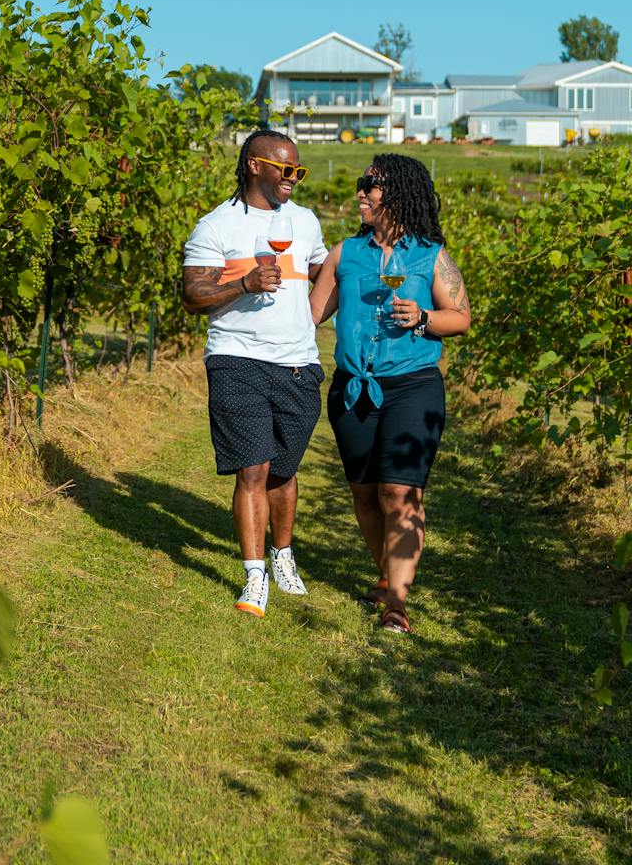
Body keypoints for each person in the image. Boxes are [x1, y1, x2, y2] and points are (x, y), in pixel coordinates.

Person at [308, 154, 470, 635]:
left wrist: (422, 318)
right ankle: (386, 573)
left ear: (396, 193)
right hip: (353, 389)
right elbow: (311, 315)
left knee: (399, 492)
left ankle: (396, 603)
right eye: (362, 185)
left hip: (413, 387)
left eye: (369, 186)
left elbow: (460, 317)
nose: (360, 193)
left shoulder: (430, 256)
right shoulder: (344, 254)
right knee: (365, 495)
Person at [181, 129, 328, 618]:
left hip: (298, 364)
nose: (293, 178)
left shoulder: (304, 222)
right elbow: (193, 296)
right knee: (253, 468)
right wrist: (243, 283)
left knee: (283, 472)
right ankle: (255, 574)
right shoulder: (216, 226)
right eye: (285, 169)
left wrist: (312, 318)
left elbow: (329, 278)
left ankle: (284, 555)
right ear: (255, 166)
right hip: (236, 358)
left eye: (298, 170)